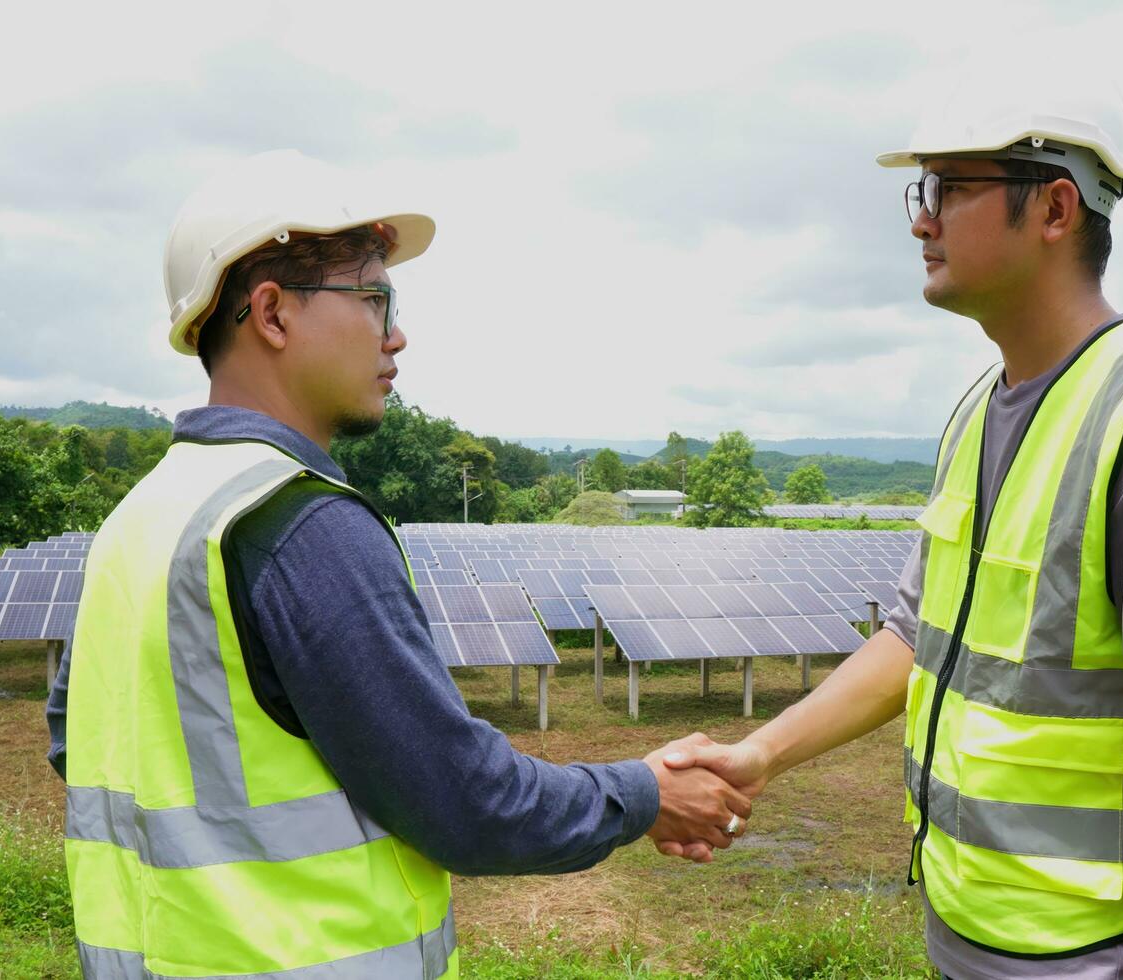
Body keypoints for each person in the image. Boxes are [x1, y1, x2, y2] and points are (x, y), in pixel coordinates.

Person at [45, 149, 749, 979]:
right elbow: (463, 801)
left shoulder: (145, 514)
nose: (397, 333)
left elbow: (77, 740)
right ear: (271, 313)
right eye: (375, 296)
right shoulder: (302, 527)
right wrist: (645, 794)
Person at [661, 72, 1123, 979]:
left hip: (1094, 961)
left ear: (1056, 208)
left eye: (951, 187)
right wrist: (759, 754)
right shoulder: (982, 411)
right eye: (924, 190)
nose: (921, 219)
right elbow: (919, 638)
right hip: (967, 943)